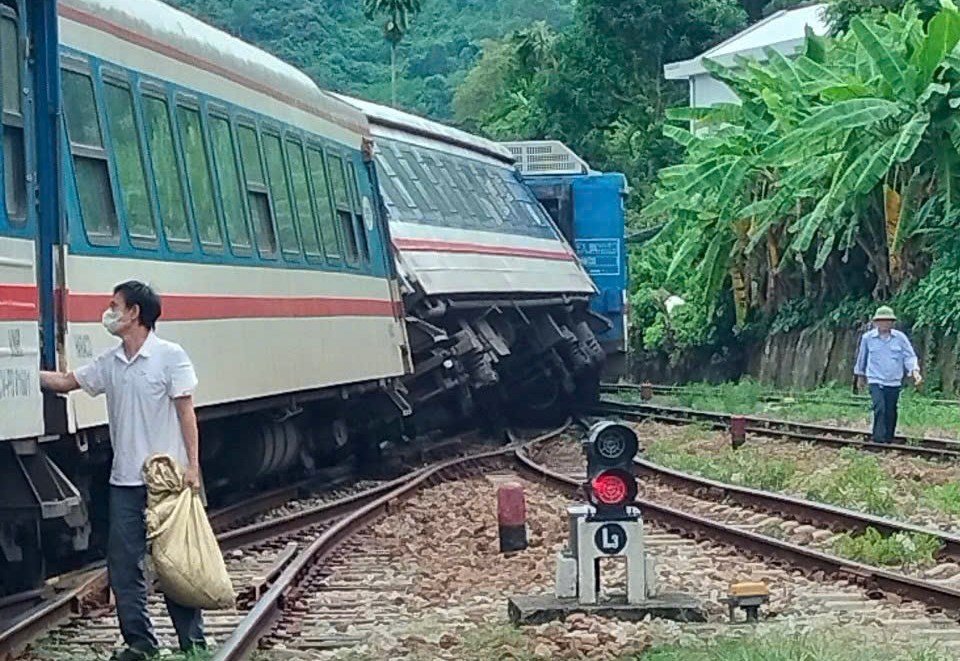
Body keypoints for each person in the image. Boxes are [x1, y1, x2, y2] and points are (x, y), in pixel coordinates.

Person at [39, 281, 205, 661]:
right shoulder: (111, 362)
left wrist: (193, 468)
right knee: (123, 563)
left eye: (115, 306)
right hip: (124, 480)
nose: (108, 311)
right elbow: (66, 382)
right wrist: (21, 371)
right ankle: (140, 642)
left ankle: (192, 643)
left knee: (175, 563)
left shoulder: (170, 356)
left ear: (134, 314)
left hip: (166, 481)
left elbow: (186, 413)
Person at [854, 305, 922, 444]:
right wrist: (860, 376)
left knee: (891, 410)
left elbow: (909, 356)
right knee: (879, 407)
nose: (885, 323)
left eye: (888, 321)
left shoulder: (900, 338)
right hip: (875, 379)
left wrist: (915, 371)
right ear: (875, 322)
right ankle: (878, 439)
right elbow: (862, 358)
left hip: (893, 381)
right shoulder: (868, 338)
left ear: (892, 322)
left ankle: (888, 438)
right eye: (881, 320)